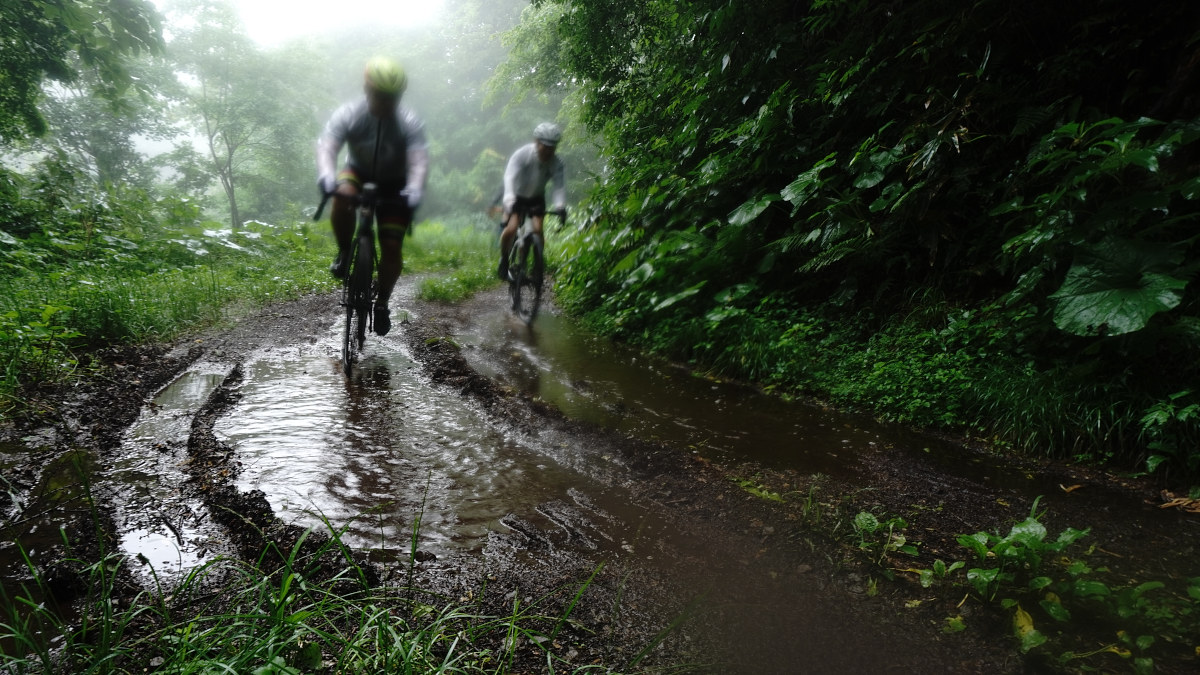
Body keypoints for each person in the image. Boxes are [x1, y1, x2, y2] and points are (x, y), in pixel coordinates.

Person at [316, 57, 429, 337]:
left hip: (395, 182)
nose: (386, 102)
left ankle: (382, 303)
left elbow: (418, 160)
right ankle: (345, 251)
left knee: (391, 246)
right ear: (368, 90)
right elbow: (328, 146)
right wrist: (327, 176)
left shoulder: (408, 121)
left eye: (392, 97)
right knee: (342, 198)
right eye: (380, 95)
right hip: (358, 171)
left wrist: (414, 188)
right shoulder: (350, 113)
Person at [498, 122, 565, 282]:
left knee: (537, 230)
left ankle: (534, 265)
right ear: (536, 142)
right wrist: (509, 198)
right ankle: (504, 259)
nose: (548, 151)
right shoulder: (523, 154)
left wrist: (560, 206)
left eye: (552, 147)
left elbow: (559, 187)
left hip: (536, 198)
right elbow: (510, 176)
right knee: (512, 227)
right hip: (516, 196)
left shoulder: (557, 163)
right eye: (545, 146)